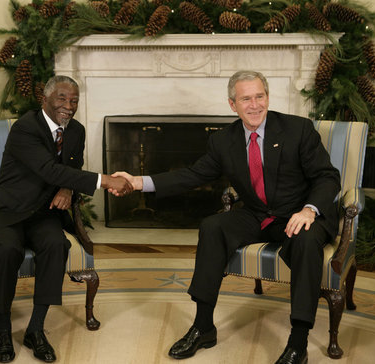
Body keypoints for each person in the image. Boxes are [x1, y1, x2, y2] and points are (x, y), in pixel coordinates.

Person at [112, 70, 341, 364]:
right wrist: (138, 181)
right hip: (258, 214)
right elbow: (192, 175)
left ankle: (298, 341)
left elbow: (327, 176)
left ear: (267, 98)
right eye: (246, 99)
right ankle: (203, 326)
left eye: (260, 96)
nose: (255, 105)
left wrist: (310, 209)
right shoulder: (224, 141)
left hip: (300, 214)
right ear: (233, 105)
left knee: (307, 241)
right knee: (212, 226)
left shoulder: (298, 129)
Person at [0, 75, 132, 363]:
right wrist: (105, 180)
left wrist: (68, 188)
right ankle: (3, 327)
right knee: (8, 250)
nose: (68, 106)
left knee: (57, 246)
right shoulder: (25, 128)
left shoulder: (77, 131)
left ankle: (36, 329)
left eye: (74, 100)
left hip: (43, 212)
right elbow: (48, 169)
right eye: (61, 98)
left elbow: (71, 167)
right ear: (44, 99)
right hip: (7, 212)